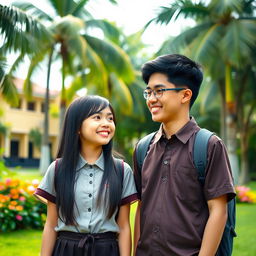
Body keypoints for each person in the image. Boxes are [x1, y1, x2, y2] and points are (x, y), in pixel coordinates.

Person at [133, 54, 236, 256]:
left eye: (159, 91)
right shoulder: (143, 147)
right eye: (148, 92)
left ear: (185, 95)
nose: (151, 99)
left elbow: (218, 211)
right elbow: (141, 208)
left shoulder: (208, 145)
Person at [34, 95, 138, 256]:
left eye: (110, 119)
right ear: (77, 127)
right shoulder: (57, 169)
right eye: (97, 117)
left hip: (107, 251)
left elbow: (124, 226)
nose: (106, 123)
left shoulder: (122, 170)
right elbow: (50, 224)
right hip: (65, 250)